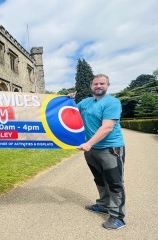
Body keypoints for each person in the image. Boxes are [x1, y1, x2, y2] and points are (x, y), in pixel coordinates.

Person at [70, 74, 126, 230]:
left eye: (102, 83)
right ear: (91, 86)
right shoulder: (85, 102)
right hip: (91, 150)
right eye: (96, 84)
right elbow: (70, 112)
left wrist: (88, 143)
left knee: (115, 182)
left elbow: (107, 127)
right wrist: (67, 100)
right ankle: (103, 204)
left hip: (110, 148)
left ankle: (117, 216)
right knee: (99, 179)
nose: (99, 86)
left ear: (107, 85)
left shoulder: (112, 102)